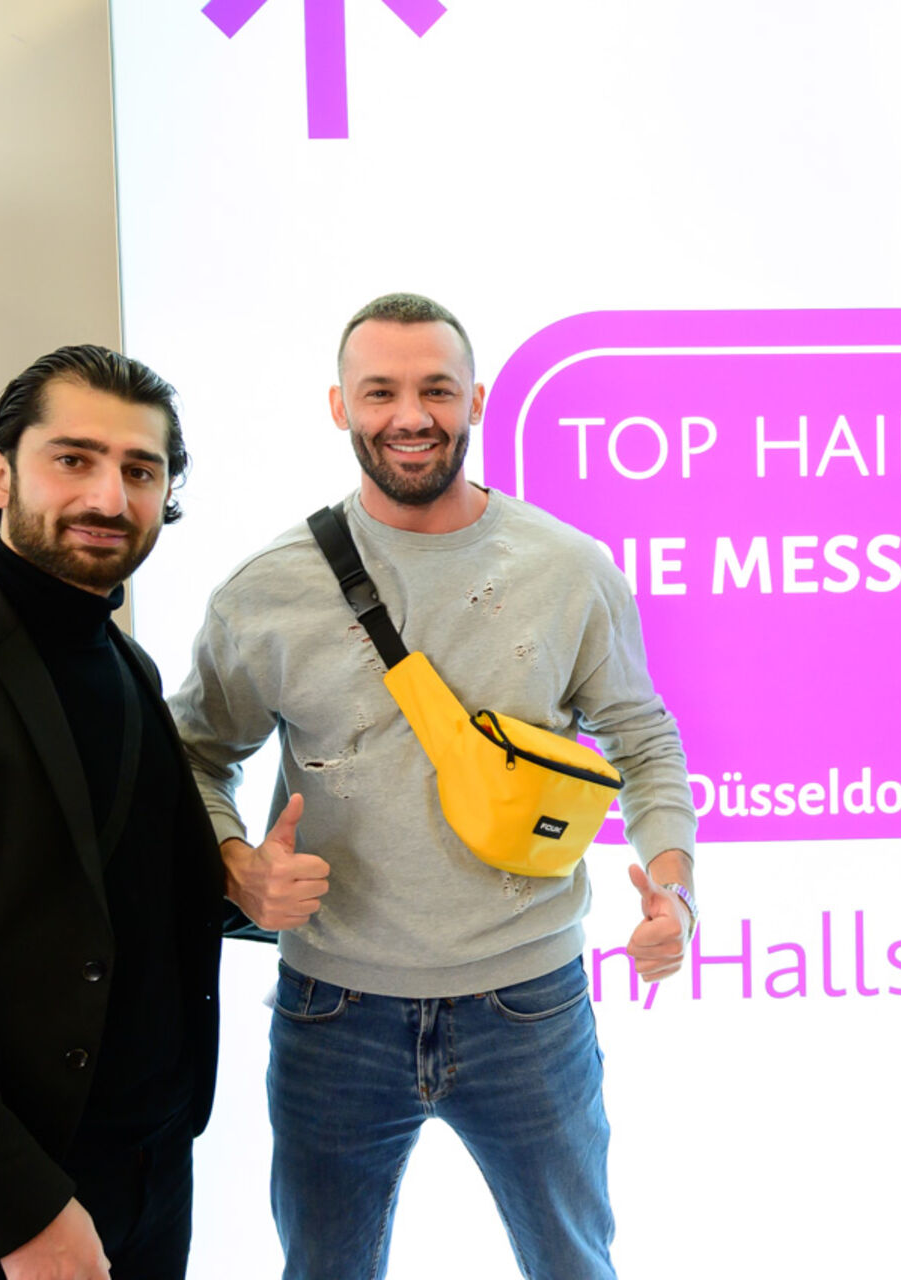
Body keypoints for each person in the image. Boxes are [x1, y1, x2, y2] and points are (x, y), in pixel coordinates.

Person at [170, 292, 697, 1280]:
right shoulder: (264, 591)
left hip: (531, 1004)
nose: (410, 415)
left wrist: (674, 886)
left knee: (576, 1265)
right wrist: (236, 865)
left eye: (437, 390)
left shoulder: (568, 568)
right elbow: (193, 756)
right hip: (334, 1008)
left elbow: (644, 737)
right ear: (339, 405)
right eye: (380, 392)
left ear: (477, 400)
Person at [0, 346, 224, 1278]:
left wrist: (239, 886)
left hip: (155, 1171)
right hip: (6, 1207)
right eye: (74, 459)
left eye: (141, 470)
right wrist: (21, 1212)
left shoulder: (131, 666)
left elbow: (100, 900)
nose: (109, 496)